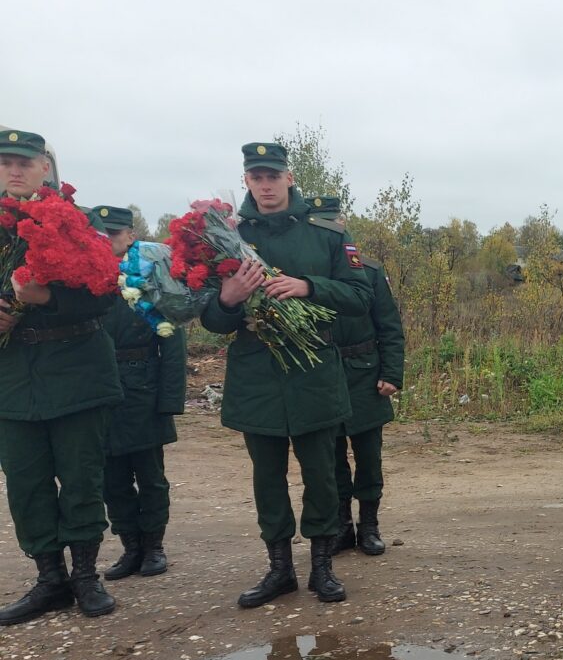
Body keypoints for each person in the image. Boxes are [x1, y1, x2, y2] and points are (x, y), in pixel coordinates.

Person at [201, 143, 371, 608]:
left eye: (273, 175)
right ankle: (279, 570)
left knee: (322, 475)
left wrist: (308, 286)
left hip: (314, 369)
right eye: (257, 177)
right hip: (257, 376)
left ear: (289, 177)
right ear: (246, 181)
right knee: (267, 478)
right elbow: (212, 321)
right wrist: (228, 299)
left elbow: (361, 297)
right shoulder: (223, 236)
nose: (266, 184)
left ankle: (322, 568)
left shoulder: (327, 232)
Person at [0, 129, 122, 624]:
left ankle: (86, 576)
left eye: (24, 162)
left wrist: (48, 300)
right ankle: (49, 580)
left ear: (45, 167)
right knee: (25, 482)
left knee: (80, 477)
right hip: (12, 379)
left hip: (76, 371)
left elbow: (105, 295)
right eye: (6, 161)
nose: (14, 170)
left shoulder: (76, 224)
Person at [307, 196, 407, 557]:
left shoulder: (368, 270)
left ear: (343, 223)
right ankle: (341, 527)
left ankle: (369, 526)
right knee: (330, 459)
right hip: (323, 374)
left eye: (333, 222)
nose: (329, 229)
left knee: (368, 458)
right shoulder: (304, 274)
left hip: (366, 375)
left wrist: (392, 373)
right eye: (321, 223)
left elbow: (390, 327)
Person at [94, 205, 187, 579]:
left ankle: (154, 547)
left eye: (115, 234)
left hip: (143, 386)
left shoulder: (150, 275)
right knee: (109, 477)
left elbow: (173, 342)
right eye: (102, 236)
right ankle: (130, 547)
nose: (109, 242)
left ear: (130, 236)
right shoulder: (86, 278)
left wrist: (169, 399)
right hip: (99, 387)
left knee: (149, 475)